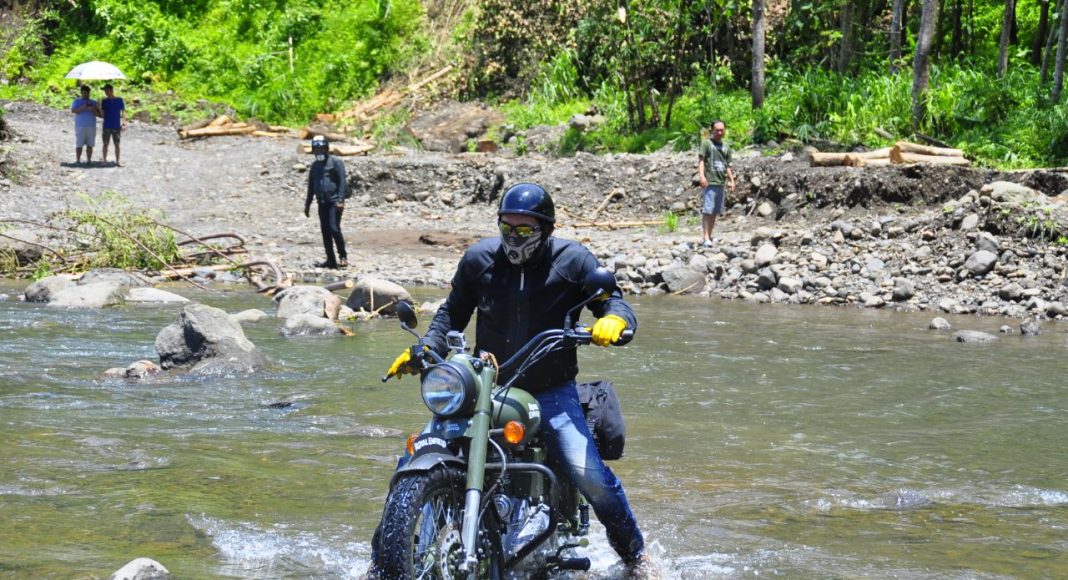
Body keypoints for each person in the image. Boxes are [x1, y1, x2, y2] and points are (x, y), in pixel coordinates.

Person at [386, 183, 660, 578]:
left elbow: (613, 301)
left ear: (546, 229)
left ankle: (636, 557)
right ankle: (382, 563)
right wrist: (426, 348)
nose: (514, 237)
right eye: (507, 227)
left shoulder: (572, 261)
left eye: (525, 230)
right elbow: (451, 315)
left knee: (590, 475)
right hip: (485, 385)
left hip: (550, 388)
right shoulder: (479, 260)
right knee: (413, 458)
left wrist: (614, 319)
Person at [303, 135, 348, 269]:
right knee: (325, 231)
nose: (319, 152)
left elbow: (342, 182)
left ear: (326, 149)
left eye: (321, 149)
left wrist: (340, 200)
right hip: (322, 203)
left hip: (334, 202)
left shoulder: (336, 162)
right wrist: (308, 204)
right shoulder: (315, 166)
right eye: (316, 150)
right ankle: (330, 260)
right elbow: (311, 186)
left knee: (334, 228)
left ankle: (343, 256)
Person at [696, 119, 736, 248]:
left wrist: (731, 180)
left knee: (714, 211)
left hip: (720, 182)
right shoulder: (707, 144)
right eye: (717, 130)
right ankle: (705, 237)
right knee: (708, 210)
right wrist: (702, 176)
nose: (719, 132)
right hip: (710, 182)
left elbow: (727, 166)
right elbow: (701, 160)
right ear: (712, 130)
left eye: (721, 130)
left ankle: (709, 235)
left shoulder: (726, 147)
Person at [70, 85, 101, 165]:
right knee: (79, 144)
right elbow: (73, 110)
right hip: (80, 125)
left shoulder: (93, 102)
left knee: (90, 144)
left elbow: (99, 114)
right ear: (81, 93)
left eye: (87, 92)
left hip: (91, 125)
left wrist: (94, 108)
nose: (86, 94)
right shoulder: (77, 101)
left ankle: (89, 160)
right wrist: (83, 107)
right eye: (84, 92)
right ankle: (78, 160)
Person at [99, 83, 126, 166]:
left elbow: (123, 112)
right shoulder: (104, 101)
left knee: (117, 144)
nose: (105, 92)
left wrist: (124, 121)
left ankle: (118, 161)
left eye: (107, 90)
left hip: (116, 125)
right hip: (107, 125)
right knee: (105, 143)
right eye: (105, 90)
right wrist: (99, 108)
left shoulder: (119, 100)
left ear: (111, 90)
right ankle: (104, 160)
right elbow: (102, 114)